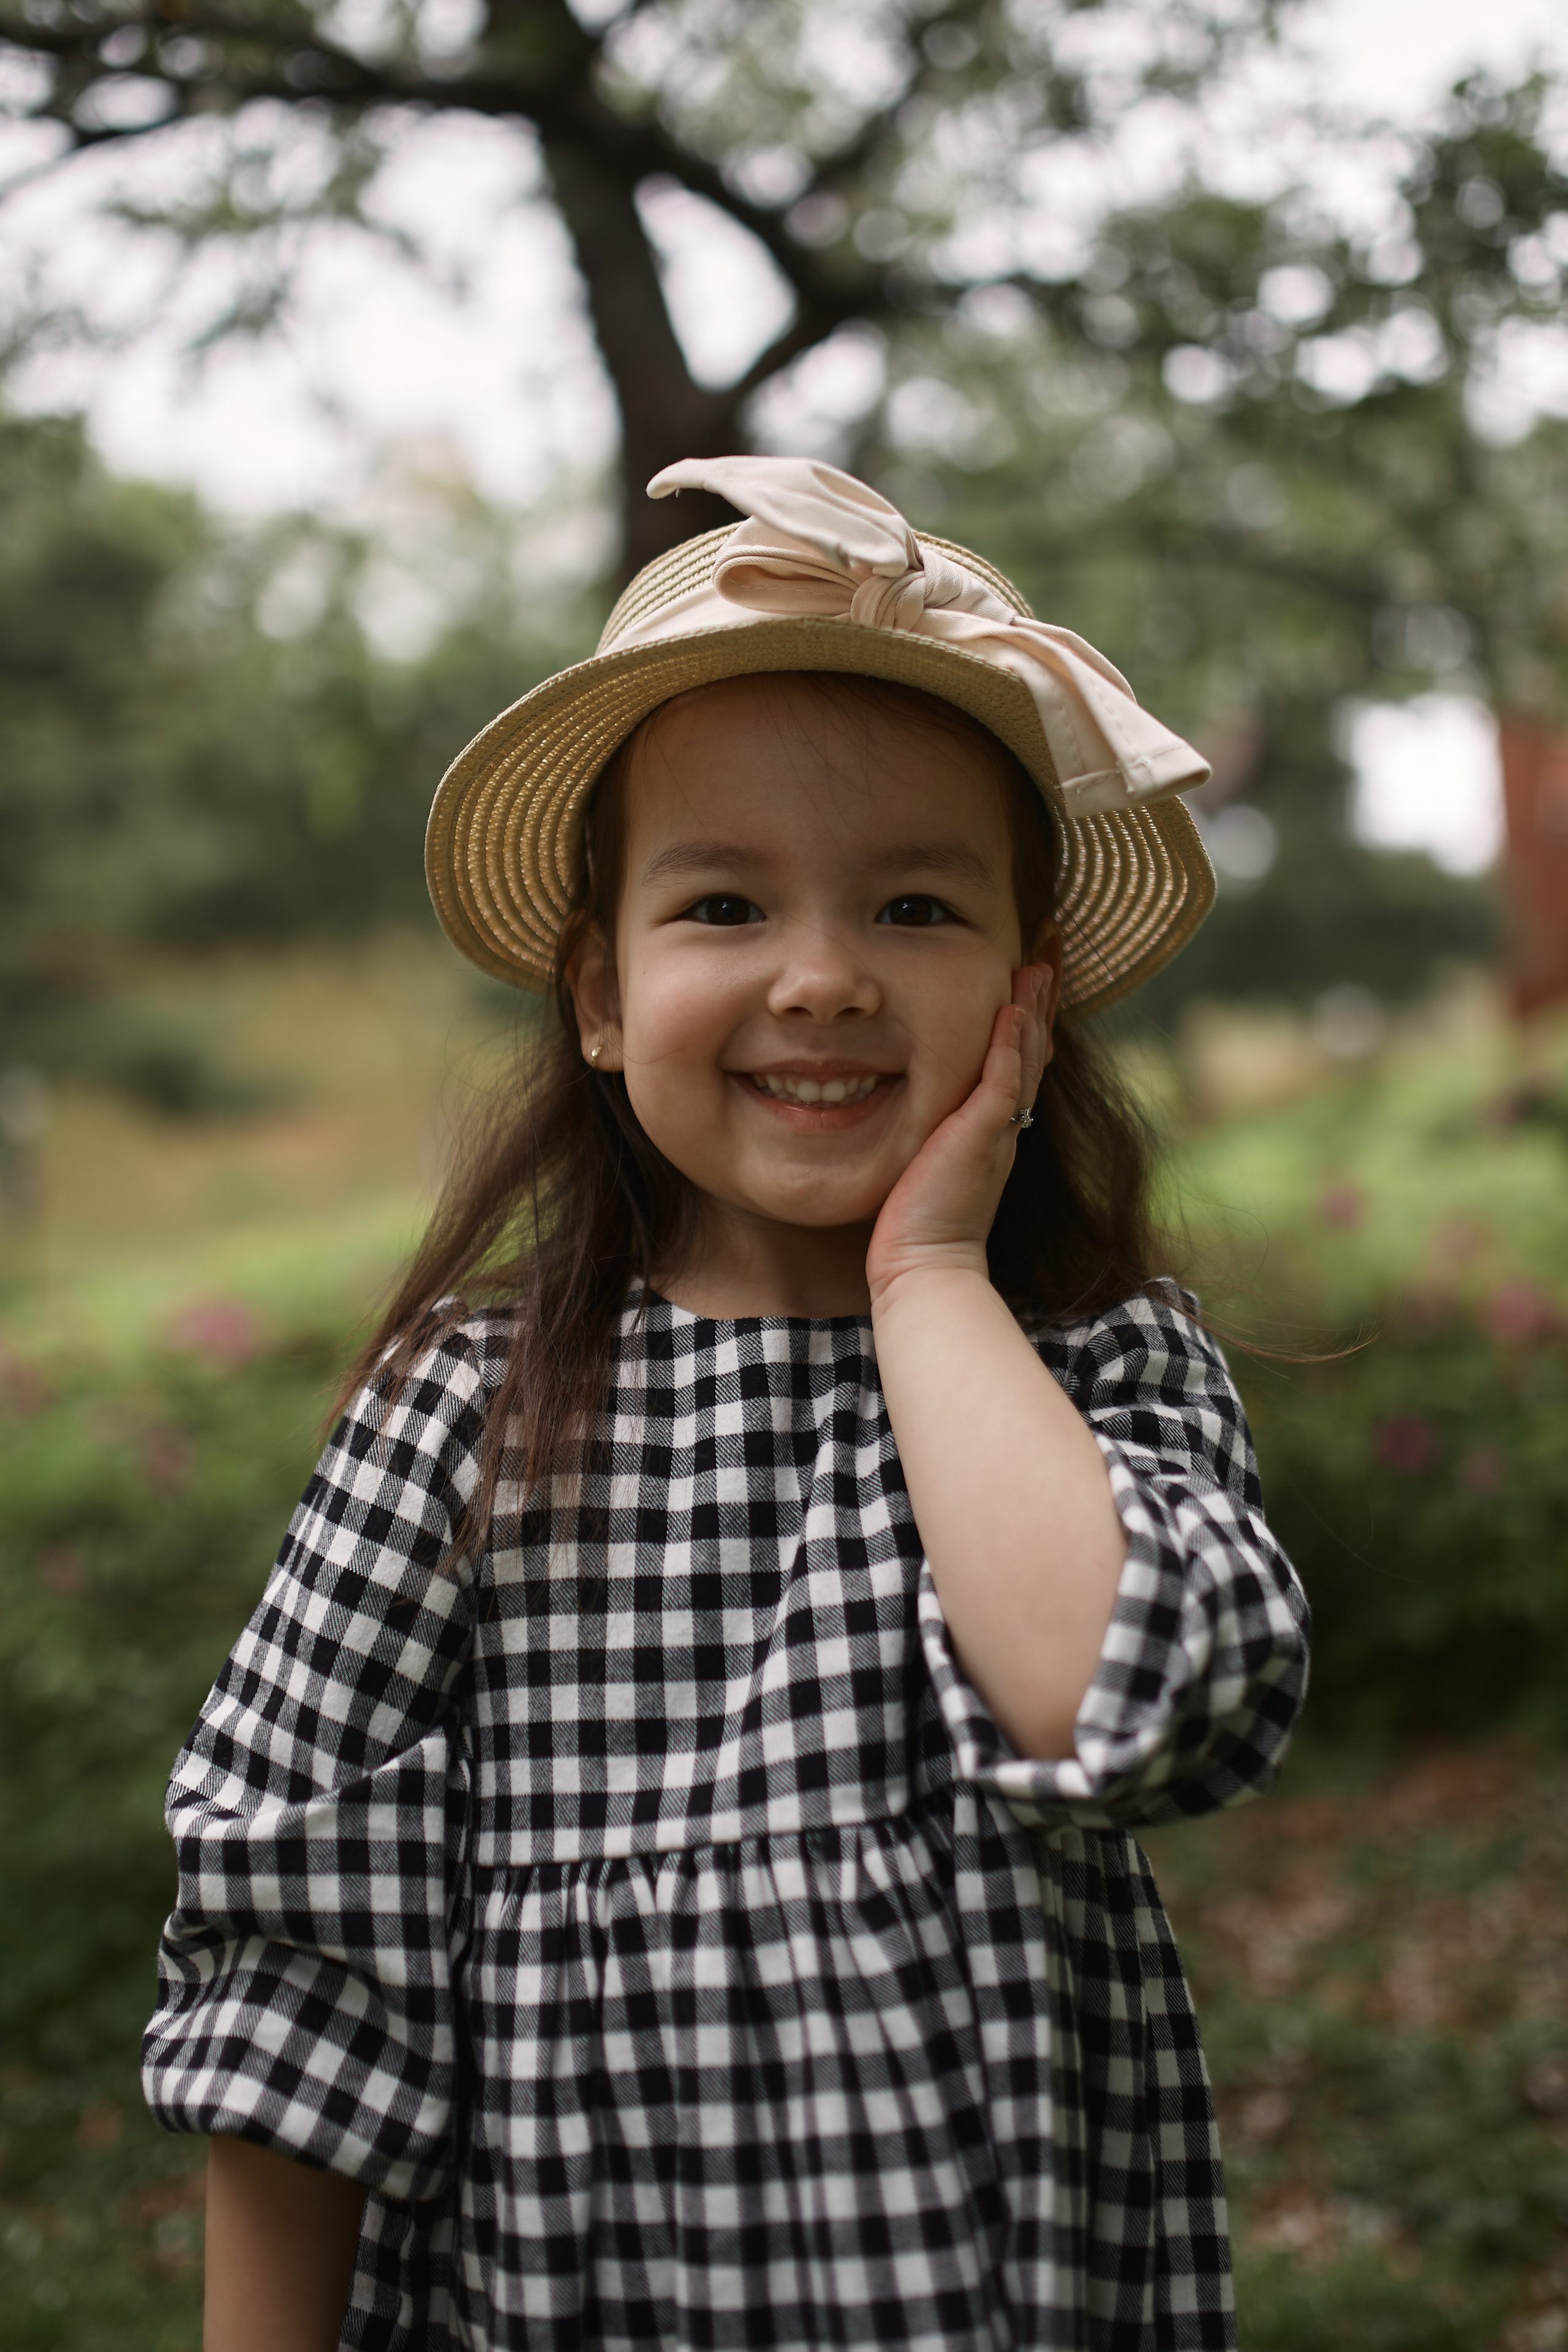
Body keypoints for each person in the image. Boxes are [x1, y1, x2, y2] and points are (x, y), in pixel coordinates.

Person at [143, 456, 1308, 2352]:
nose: (826, 979)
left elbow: (1134, 1702)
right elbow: (296, 1958)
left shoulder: (1093, 1368)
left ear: (1031, 997)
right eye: (726, 906)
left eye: (916, 906)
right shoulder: (475, 1417)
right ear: (599, 993)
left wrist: (931, 1279)